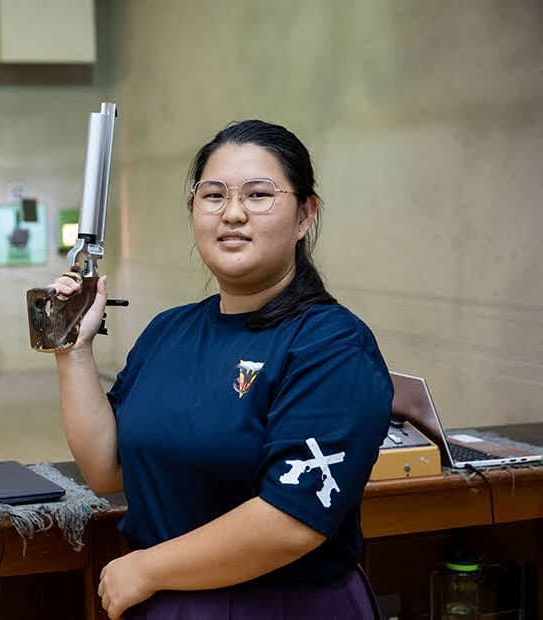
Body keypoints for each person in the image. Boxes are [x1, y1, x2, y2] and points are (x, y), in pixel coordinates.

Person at [50, 120, 392, 619]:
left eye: (259, 195)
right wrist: (73, 349)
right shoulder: (170, 331)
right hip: (164, 601)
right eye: (213, 195)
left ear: (305, 215)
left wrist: (146, 570)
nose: (232, 213)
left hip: (281, 605)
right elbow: (106, 470)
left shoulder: (329, 342)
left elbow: (293, 519)